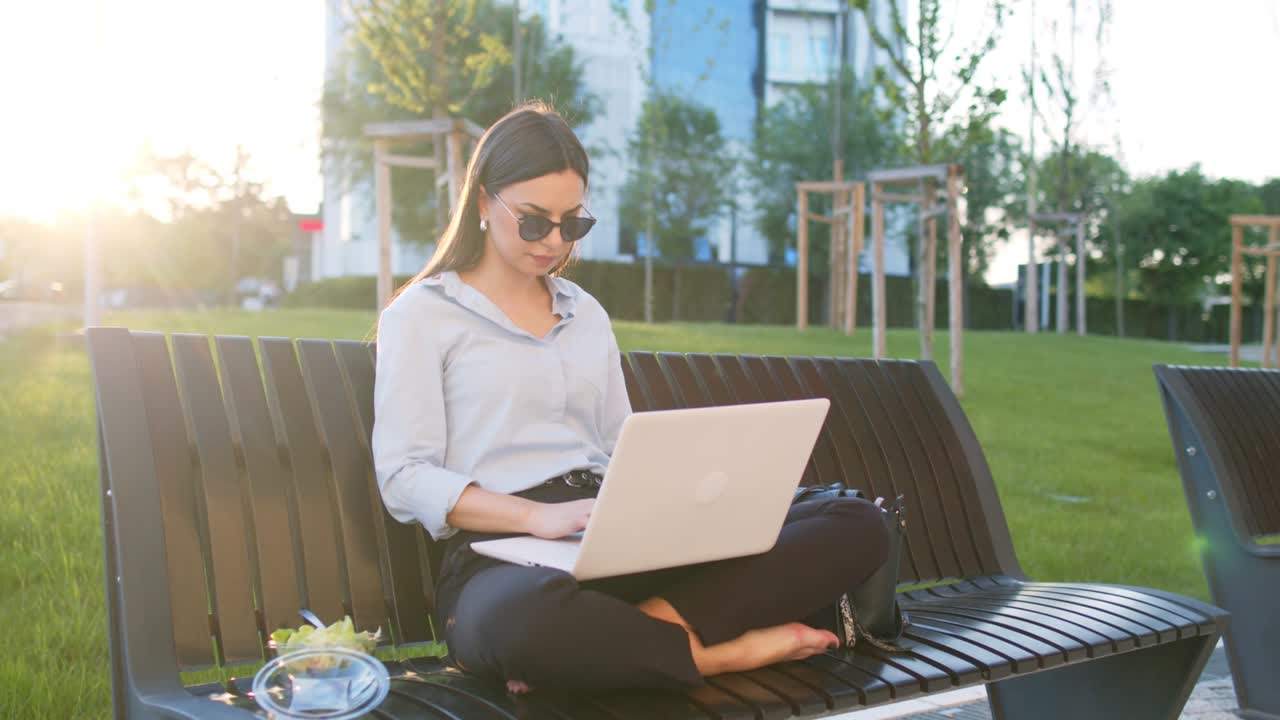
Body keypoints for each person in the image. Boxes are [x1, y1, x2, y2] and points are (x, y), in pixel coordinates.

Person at [371, 101, 889, 696]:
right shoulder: (422, 315)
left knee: (856, 521)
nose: (554, 241)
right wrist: (537, 517)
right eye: (535, 221)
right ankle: (719, 653)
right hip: (502, 558)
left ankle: (650, 635)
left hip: (610, 533)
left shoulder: (584, 313)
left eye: (573, 224)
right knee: (528, 624)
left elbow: (619, 443)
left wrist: (683, 505)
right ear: (484, 202)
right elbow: (405, 476)